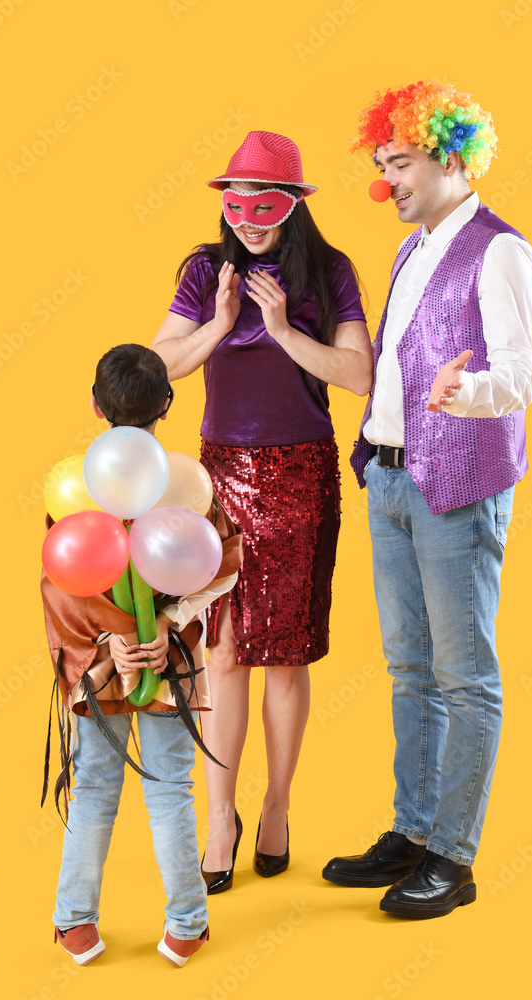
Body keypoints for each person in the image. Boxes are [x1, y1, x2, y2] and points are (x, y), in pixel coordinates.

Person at [322, 82, 532, 918]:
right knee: (408, 669)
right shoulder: (412, 248)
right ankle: (412, 833)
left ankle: (452, 859)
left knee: (464, 678)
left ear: (451, 156)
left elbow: (520, 378)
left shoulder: (500, 252)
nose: (389, 182)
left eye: (402, 163)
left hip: (455, 486)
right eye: (382, 165)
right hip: (387, 477)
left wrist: (467, 392)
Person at [152, 131, 373, 892]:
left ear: (295, 204)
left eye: (264, 203)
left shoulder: (329, 272)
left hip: (301, 473)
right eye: (235, 203)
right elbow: (160, 366)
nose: (247, 219)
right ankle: (220, 816)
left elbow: (357, 375)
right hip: (220, 478)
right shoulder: (203, 270)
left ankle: (276, 806)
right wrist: (217, 324)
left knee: (285, 656)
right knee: (224, 652)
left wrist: (282, 331)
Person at [41, 344, 242, 965]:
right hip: (168, 660)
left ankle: (74, 923)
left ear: (95, 405)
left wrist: (109, 644)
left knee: (95, 791)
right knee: (170, 791)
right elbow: (224, 565)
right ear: (169, 404)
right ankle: (186, 925)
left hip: (102, 662)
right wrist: (169, 621)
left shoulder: (71, 489)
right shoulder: (189, 483)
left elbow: (59, 582)